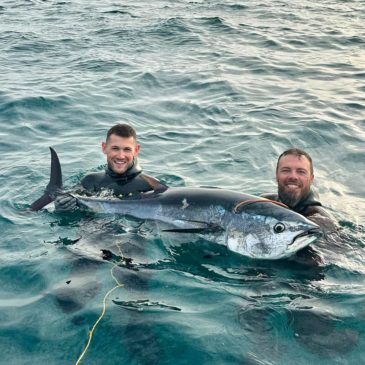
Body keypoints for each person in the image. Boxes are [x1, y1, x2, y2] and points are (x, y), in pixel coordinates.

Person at [54, 124, 161, 212]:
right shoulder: (90, 181)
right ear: (104, 148)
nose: (120, 156)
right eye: (115, 148)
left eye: (127, 149)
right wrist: (60, 208)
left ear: (136, 150)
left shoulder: (152, 187)